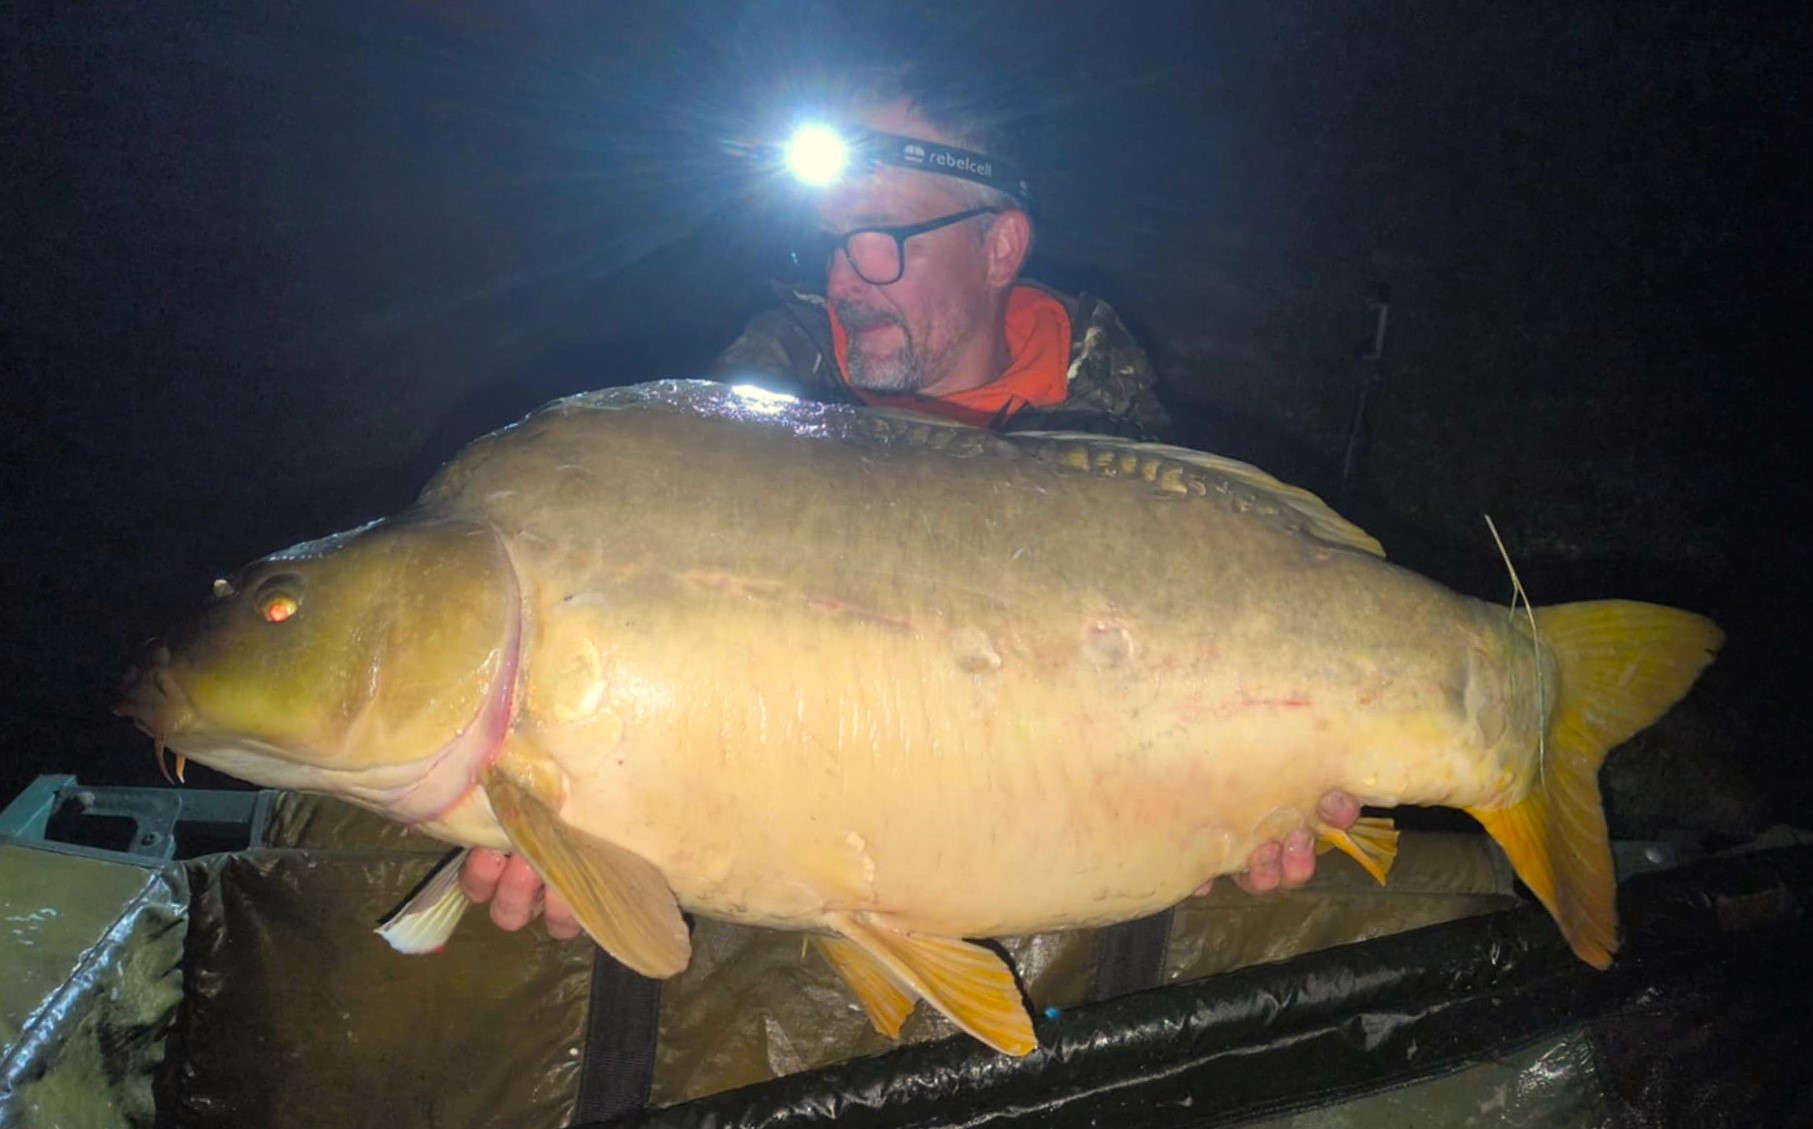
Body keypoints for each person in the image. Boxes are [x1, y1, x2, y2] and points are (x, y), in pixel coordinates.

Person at [461, 66, 1361, 941]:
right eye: (832, 242)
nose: (845, 280)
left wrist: (1244, 814)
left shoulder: (1137, 466)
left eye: (882, 237)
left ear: (998, 248)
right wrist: (597, 859)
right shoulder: (724, 439)